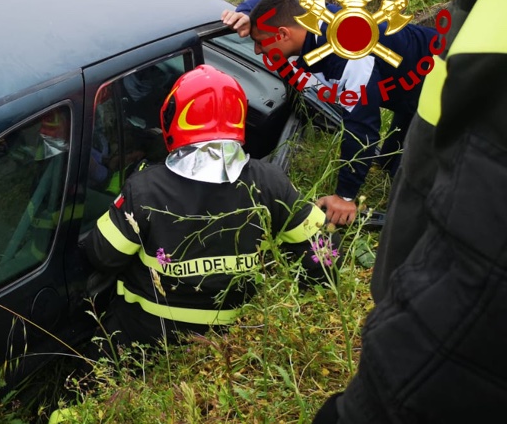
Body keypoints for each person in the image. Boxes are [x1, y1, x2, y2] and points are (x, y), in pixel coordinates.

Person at [313, 0, 507, 422]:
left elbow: (360, 126)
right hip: (425, 98)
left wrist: (349, 194)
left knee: (390, 151)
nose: (266, 58)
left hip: (424, 100)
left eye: (268, 47)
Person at [84, 65, 331, 346]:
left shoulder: (144, 189)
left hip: (146, 333)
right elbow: (323, 257)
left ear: (173, 118)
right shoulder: (270, 182)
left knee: (97, 359)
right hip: (233, 334)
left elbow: (102, 255)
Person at [220, 0, 436, 226]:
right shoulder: (307, 15)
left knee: (420, 170)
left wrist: (345, 196)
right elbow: (277, 0)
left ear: (283, 34)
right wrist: (245, 12)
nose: (257, 51)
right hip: (415, 71)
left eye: (260, 42)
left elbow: (362, 128)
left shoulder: (350, 57)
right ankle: (390, 166)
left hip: (443, 80)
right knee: (395, 155)